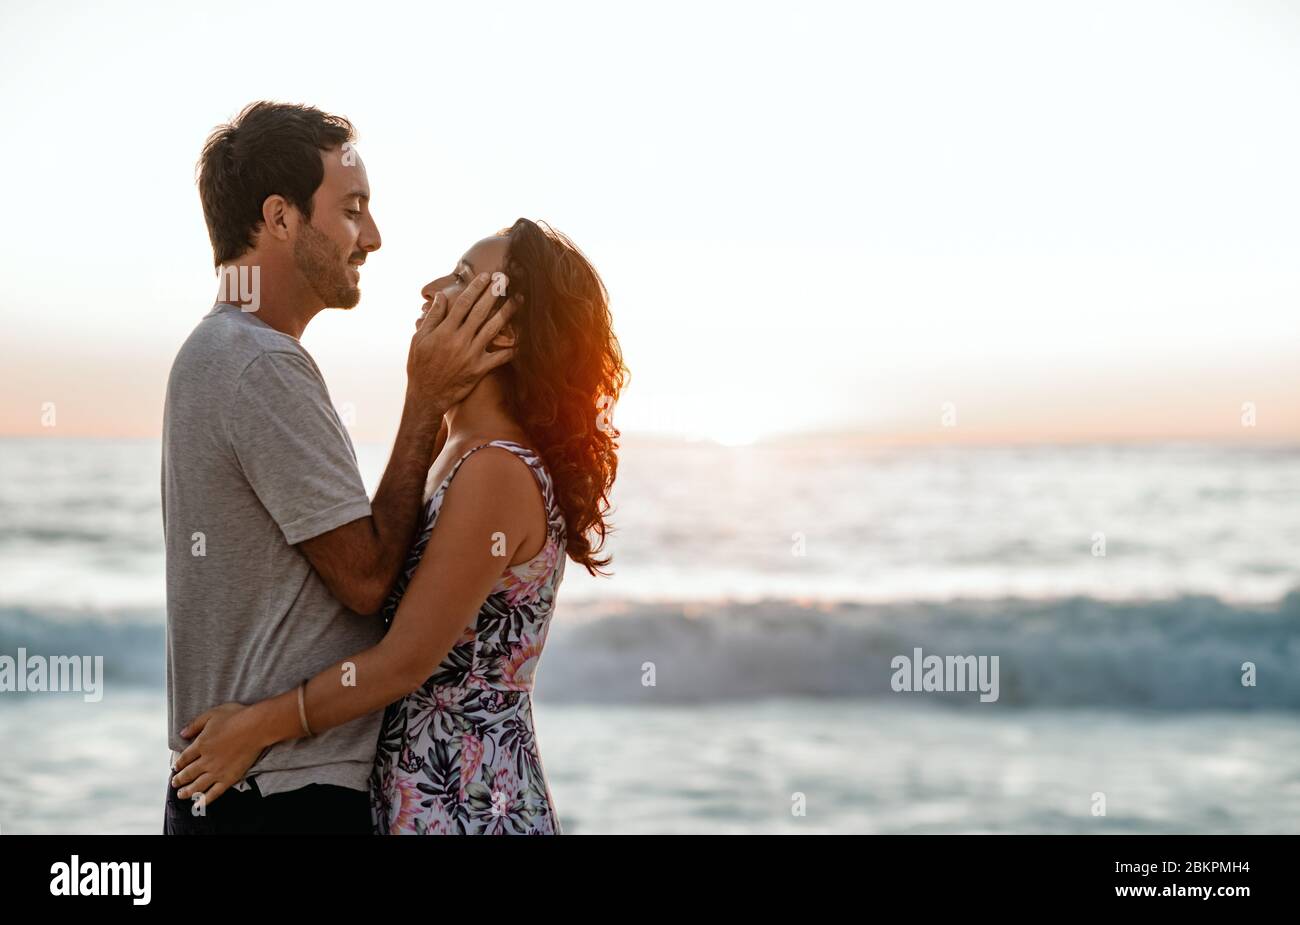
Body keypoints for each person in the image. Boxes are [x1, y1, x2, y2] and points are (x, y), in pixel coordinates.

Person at [171, 218, 627, 834]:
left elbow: (403, 661)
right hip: (424, 787)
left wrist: (257, 727)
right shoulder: (455, 447)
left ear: (510, 331)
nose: (429, 289)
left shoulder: (495, 468)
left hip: (464, 799)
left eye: (462, 279)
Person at [162, 101, 512, 834]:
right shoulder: (260, 363)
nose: (374, 238)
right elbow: (365, 578)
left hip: (246, 791)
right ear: (281, 218)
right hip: (283, 798)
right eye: (353, 210)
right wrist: (426, 400)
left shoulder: (220, 351)